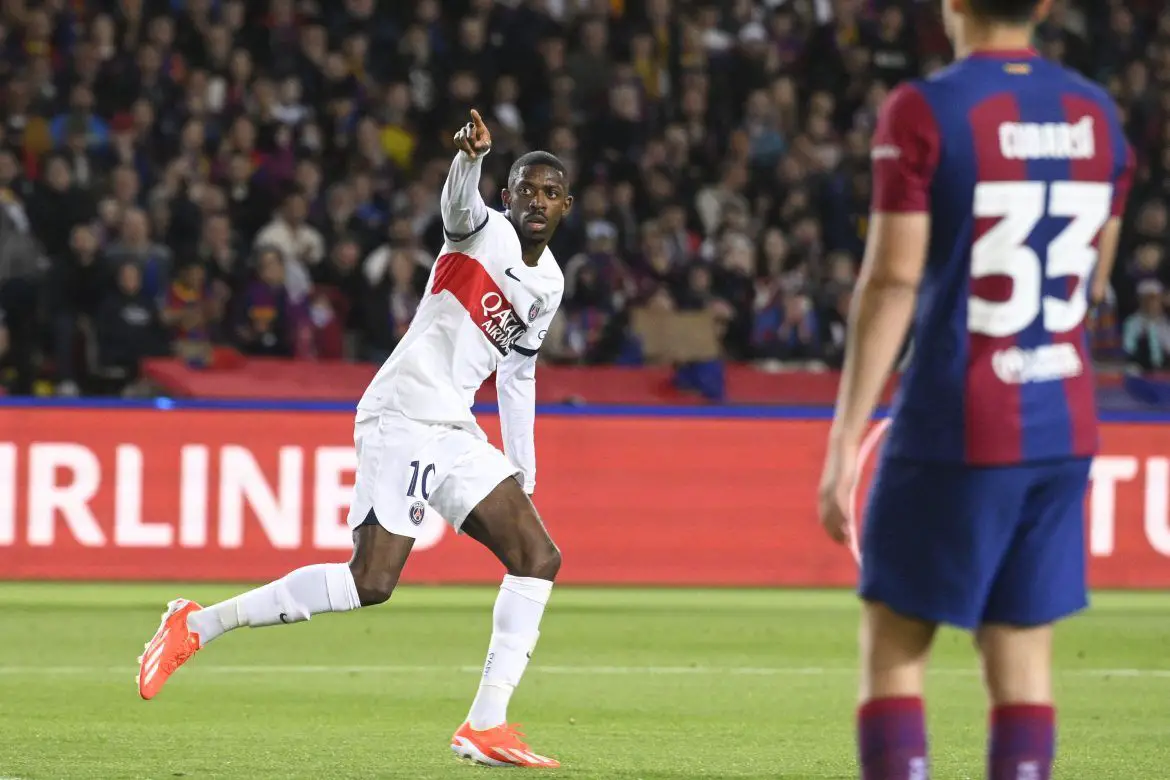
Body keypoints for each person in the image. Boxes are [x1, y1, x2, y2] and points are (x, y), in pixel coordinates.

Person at [136, 110, 573, 769]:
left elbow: (519, 374)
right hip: (403, 410)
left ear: (566, 205)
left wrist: (523, 469)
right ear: (507, 196)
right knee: (370, 581)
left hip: (454, 425)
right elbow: (458, 205)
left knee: (537, 556)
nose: (536, 201)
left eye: (550, 192)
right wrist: (470, 160)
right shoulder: (481, 231)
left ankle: (486, 725)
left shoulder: (550, 284)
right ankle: (196, 624)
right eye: (526, 190)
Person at [815, 1, 1134, 778]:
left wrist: (846, 439)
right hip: (1061, 421)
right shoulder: (1097, 114)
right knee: (1021, 659)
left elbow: (892, 281)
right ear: (1047, 5)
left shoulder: (925, 108)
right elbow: (1095, 279)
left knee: (896, 648)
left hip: (958, 418)